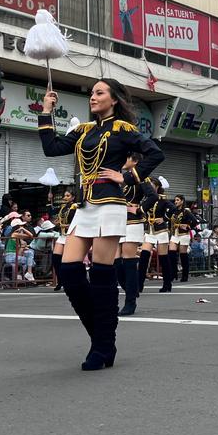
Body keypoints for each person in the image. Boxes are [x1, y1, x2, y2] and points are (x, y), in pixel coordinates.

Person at [39, 79, 164, 371]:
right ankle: (102, 337)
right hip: (84, 206)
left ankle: (102, 345)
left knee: (101, 273)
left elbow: (156, 154)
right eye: (92, 93)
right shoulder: (83, 130)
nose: (92, 97)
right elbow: (52, 148)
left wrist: (129, 176)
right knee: (68, 269)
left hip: (110, 205)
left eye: (99, 93)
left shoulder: (124, 130)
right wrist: (46, 111)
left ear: (114, 100)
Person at [117, 154, 148, 316]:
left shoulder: (141, 177)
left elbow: (153, 196)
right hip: (116, 221)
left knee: (128, 262)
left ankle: (130, 302)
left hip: (133, 223)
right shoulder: (119, 175)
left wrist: (138, 209)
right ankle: (132, 288)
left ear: (134, 161)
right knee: (115, 263)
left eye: (126, 157)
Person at [141, 178, 175, 293]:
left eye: (151, 185)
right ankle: (139, 284)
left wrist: (164, 218)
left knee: (163, 258)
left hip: (161, 231)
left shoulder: (162, 199)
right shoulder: (146, 198)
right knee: (144, 256)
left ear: (156, 187)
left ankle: (167, 284)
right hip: (150, 231)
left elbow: (174, 209)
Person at [169, 195, 197, 284]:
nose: (175, 201)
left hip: (184, 234)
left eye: (177, 200)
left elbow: (195, 222)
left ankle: (185, 275)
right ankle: (173, 273)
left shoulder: (186, 211)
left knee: (183, 255)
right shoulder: (173, 210)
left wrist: (188, 227)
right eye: (175, 200)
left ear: (182, 201)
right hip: (174, 234)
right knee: (171, 253)